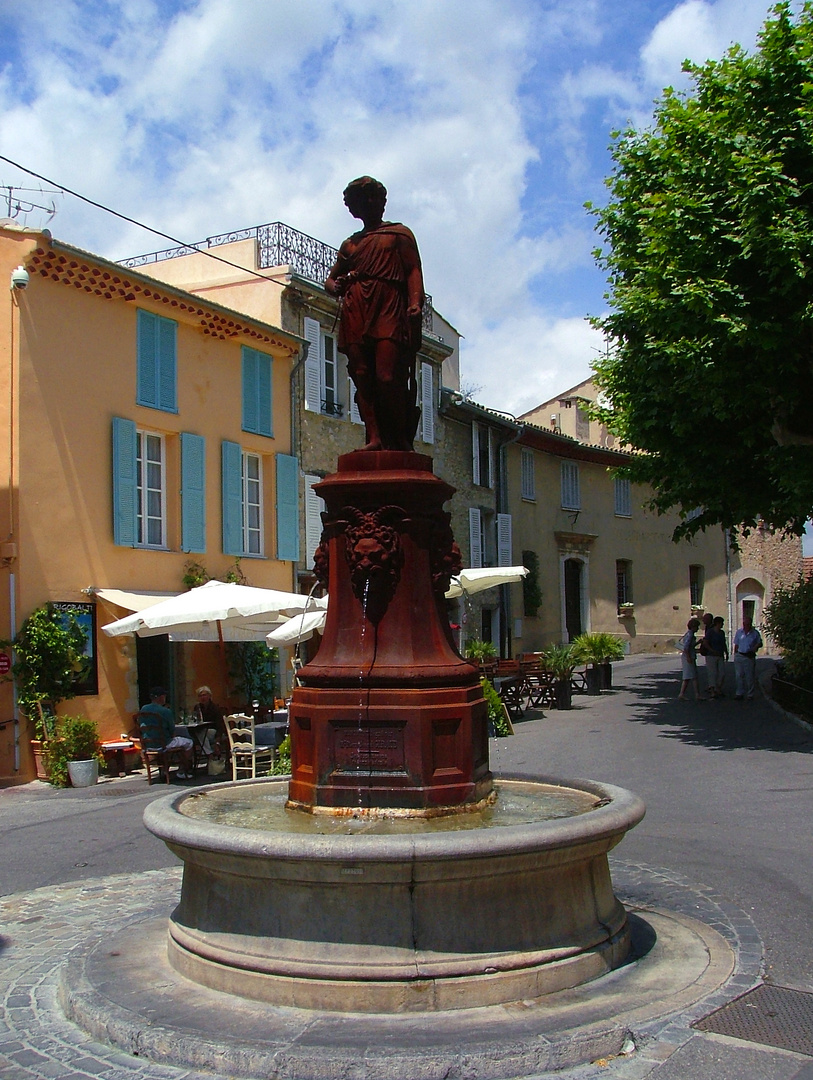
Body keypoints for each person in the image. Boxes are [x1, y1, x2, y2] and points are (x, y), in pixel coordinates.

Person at [325, 176, 426, 452]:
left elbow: (412, 271)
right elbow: (331, 281)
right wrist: (339, 286)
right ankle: (374, 437)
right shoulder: (351, 245)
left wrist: (415, 302)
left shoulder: (399, 234)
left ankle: (399, 437)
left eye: (368, 199)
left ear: (379, 202)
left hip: (388, 306)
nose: (363, 206)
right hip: (357, 307)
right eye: (357, 202)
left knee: (387, 375)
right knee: (361, 374)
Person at [139, 687, 194, 778]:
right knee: (189, 742)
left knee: (170, 742)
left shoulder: (143, 709)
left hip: (148, 744)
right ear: (161, 697)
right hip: (164, 744)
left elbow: (141, 724)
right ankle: (182, 770)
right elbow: (172, 729)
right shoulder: (165, 711)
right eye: (164, 696)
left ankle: (164, 770)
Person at [733, 615, 763, 700]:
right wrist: (735, 655)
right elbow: (736, 644)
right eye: (745, 624)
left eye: (748, 624)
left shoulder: (755, 633)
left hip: (749, 656)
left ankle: (750, 694)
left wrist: (756, 647)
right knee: (739, 675)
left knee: (749, 676)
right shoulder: (739, 632)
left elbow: (760, 643)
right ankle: (739, 693)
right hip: (739, 655)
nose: (746, 626)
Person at [191, 684, 226, 756]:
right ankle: (209, 753)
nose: (202, 698)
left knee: (201, 734)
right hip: (201, 730)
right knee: (198, 733)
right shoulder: (197, 707)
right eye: (200, 696)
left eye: (204, 695)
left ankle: (208, 753)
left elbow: (220, 725)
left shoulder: (215, 708)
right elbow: (195, 719)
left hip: (213, 731)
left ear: (209, 696)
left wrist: (217, 741)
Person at [704, 616, 729, 698]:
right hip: (711, 655)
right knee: (712, 673)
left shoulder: (722, 633)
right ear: (717, 623)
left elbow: (723, 643)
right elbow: (705, 643)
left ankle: (718, 688)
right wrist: (711, 650)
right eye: (722, 623)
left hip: (720, 655)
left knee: (722, 674)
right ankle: (712, 691)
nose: (722, 625)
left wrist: (726, 652)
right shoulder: (710, 632)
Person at [678, 618, 702, 701]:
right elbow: (686, 647)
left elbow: (689, 646)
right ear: (693, 626)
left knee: (689, 676)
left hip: (688, 656)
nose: (698, 628)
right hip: (689, 657)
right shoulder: (690, 635)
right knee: (692, 676)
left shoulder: (688, 634)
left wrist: (697, 643)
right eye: (697, 627)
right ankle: (696, 694)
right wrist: (688, 657)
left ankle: (685, 693)